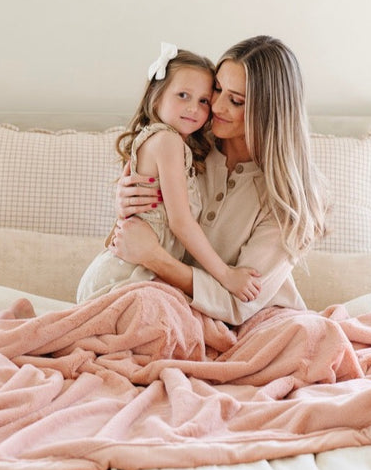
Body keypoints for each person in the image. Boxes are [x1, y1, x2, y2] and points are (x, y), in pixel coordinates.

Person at [109, 35, 327, 325]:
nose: (215, 107)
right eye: (217, 90)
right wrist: (126, 207)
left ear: (269, 113)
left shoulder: (287, 198)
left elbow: (238, 305)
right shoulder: (186, 146)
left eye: (235, 100)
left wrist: (155, 258)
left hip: (256, 323)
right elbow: (130, 242)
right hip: (168, 309)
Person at [76, 43, 262, 304]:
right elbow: (180, 222)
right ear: (157, 95)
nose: (194, 109)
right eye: (183, 95)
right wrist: (226, 275)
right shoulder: (168, 142)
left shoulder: (180, 144)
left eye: (203, 100)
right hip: (126, 276)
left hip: (144, 273)